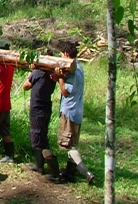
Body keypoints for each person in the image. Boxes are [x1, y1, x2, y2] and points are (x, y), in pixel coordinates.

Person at [56, 41, 95, 184]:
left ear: (66, 54)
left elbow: (65, 91)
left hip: (70, 111)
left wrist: (60, 78)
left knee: (69, 145)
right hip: (77, 111)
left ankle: (86, 172)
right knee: (73, 142)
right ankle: (69, 172)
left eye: (61, 54)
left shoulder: (73, 72)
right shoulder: (79, 67)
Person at [23, 52, 64, 183]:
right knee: (39, 136)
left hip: (38, 109)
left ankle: (56, 174)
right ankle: (39, 166)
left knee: (40, 140)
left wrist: (32, 71)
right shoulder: (52, 73)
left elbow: (25, 86)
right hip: (45, 108)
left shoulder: (38, 73)